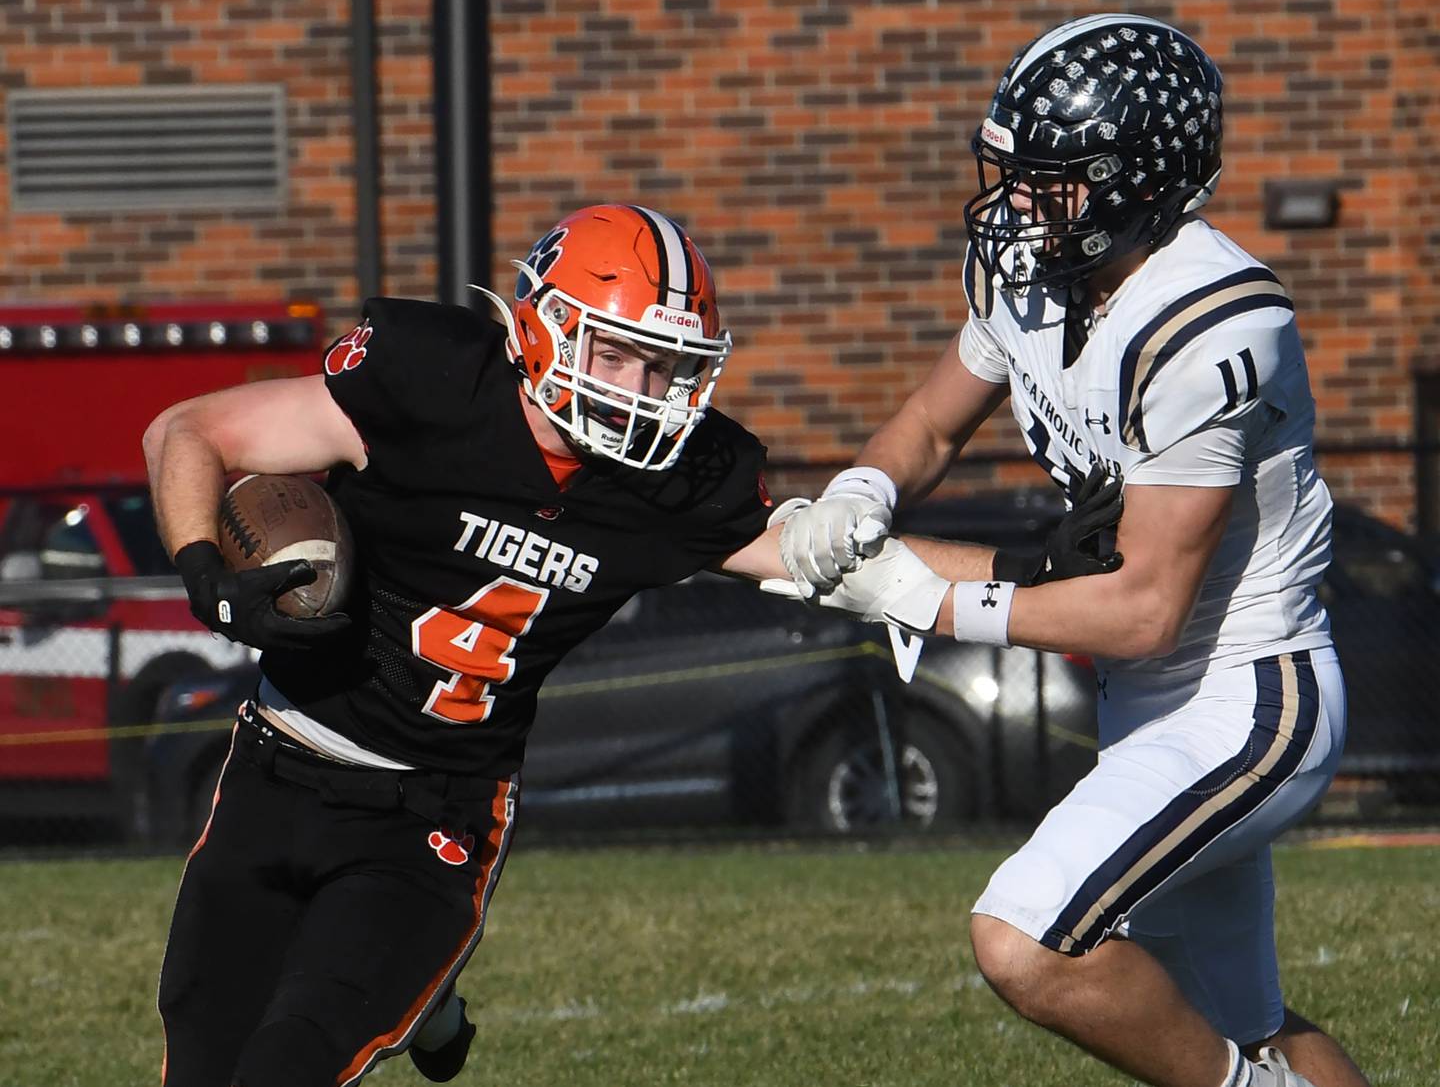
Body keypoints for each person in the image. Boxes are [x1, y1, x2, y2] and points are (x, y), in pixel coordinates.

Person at [144, 201, 1120, 1087]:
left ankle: (411, 968)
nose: (647, 389)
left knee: (289, 1061)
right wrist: (203, 570)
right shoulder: (431, 379)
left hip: (432, 811)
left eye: (668, 365)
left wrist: (1028, 566)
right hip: (284, 764)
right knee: (202, 1062)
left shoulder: (672, 484)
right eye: (620, 354)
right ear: (544, 326)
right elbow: (189, 431)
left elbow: (849, 566)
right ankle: (428, 998)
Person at [771, 14, 1371, 1087]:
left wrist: (928, 599)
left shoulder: (1208, 318)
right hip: (1151, 706)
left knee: (1026, 930)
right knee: (1251, 1017)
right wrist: (864, 488)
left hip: (1248, 695)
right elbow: (932, 424)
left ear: (1135, 180)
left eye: (1049, 181)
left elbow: (1145, 608)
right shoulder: (1033, 274)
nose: (1016, 205)